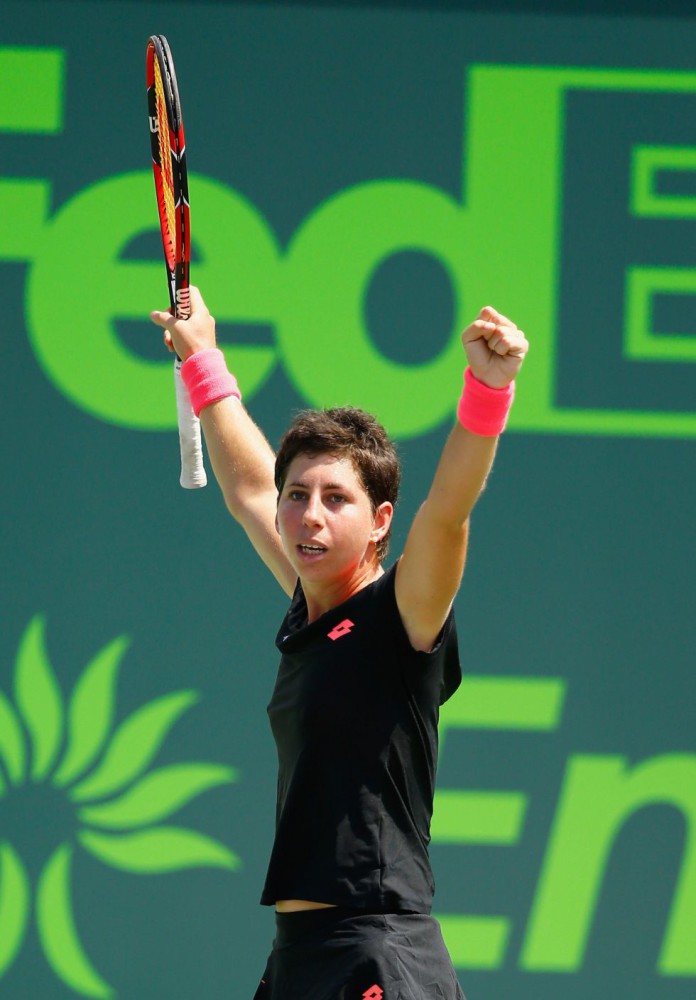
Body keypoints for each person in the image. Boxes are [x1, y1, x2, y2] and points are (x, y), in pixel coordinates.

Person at [151, 288, 528, 1000]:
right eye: (298, 495)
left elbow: (448, 513)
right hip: (299, 957)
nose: (307, 515)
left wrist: (488, 390)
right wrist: (203, 357)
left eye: (335, 498)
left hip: (377, 952)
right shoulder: (310, 610)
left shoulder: (402, 614)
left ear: (381, 521)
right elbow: (246, 489)